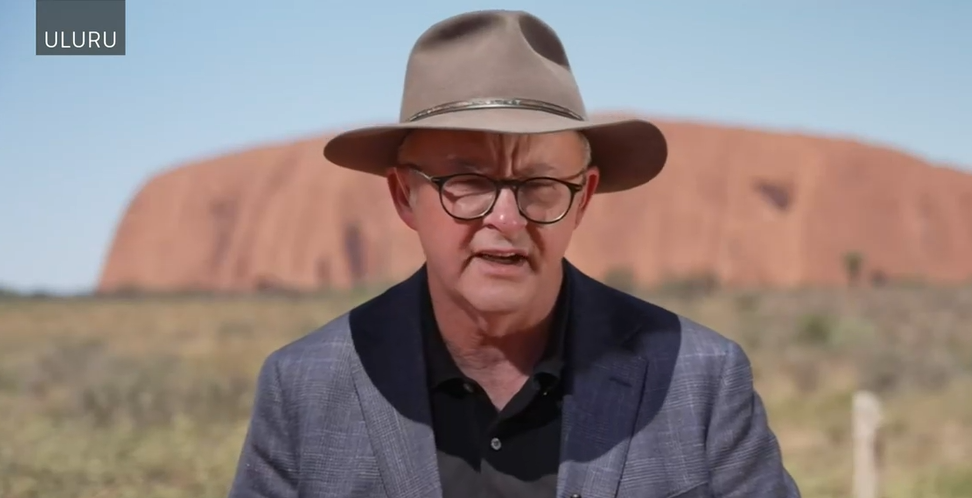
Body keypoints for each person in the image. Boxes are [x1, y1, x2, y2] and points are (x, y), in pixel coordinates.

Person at [227, 9, 801, 498]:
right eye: (467, 182)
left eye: (540, 184)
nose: (506, 220)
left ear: (585, 198)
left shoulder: (700, 378)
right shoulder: (304, 387)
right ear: (404, 196)